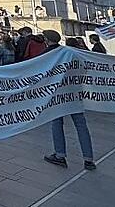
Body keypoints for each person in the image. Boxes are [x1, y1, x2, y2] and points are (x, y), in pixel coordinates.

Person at [40, 30, 96, 170]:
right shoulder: (71, 53)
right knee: (81, 125)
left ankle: (60, 155)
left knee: (57, 123)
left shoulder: (46, 54)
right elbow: (83, 69)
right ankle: (88, 159)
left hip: (57, 93)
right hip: (74, 92)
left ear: (46, 40)